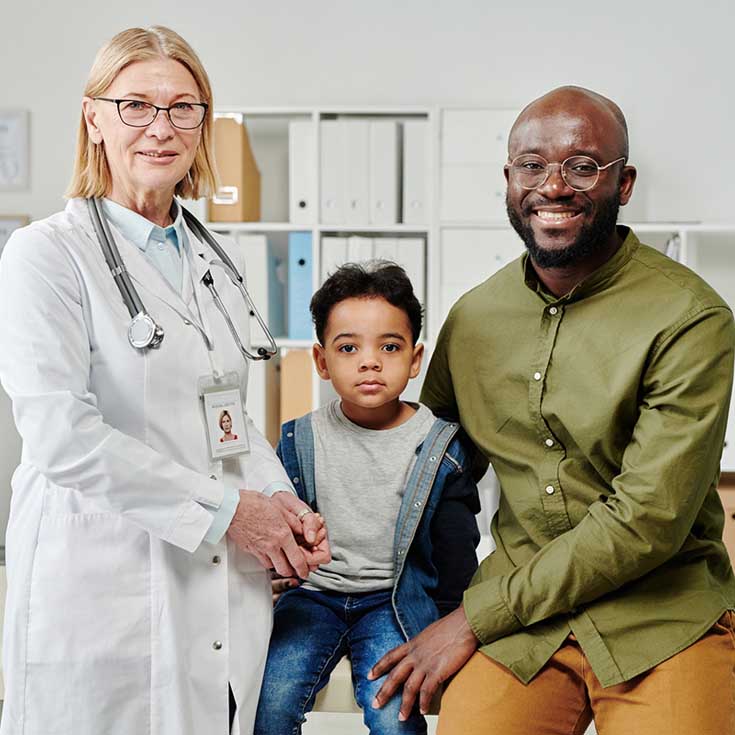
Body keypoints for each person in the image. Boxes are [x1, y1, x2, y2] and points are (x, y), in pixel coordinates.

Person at [370, 86, 735, 735]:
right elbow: (424, 472)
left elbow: (643, 522)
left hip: (660, 614)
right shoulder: (474, 319)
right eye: (532, 165)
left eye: (582, 165)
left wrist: (470, 619)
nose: (553, 185)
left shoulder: (689, 317)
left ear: (623, 184)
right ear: (509, 180)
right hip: (524, 632)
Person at [0, 26, 329, 735]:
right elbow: (63, 437)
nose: (162, 127)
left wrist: (277, 501)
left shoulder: (214, 258)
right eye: (135, 106)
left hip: (213, 584)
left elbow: (228, 417)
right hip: (101, 582)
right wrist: (231, 511)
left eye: (184, 107)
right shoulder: (46, 257)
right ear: (93, 116)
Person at [253, 262, 481, 735]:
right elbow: (282, 526)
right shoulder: (300, 439)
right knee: (269, 703)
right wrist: (274, 576)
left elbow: (457, 548)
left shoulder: (439, 446)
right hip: (313, 598)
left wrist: (449, 624)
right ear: (321, 361)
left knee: (393, 713)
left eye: (390, 347)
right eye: (349, 347)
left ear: (415, 359)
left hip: (391, 601)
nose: (369, 362)